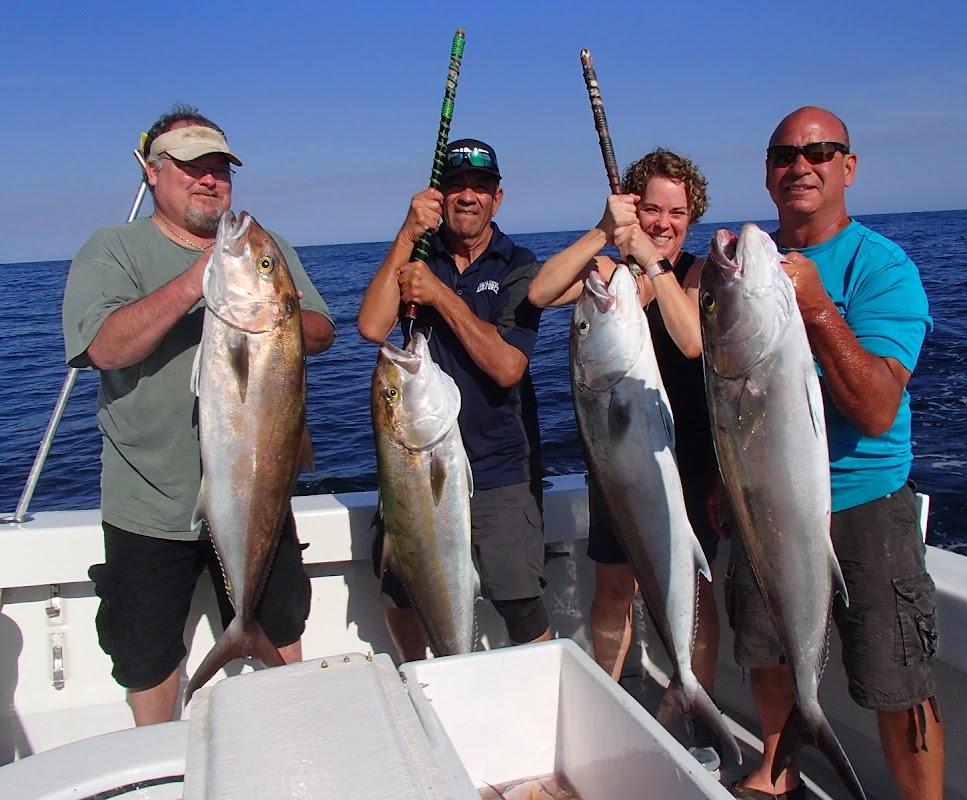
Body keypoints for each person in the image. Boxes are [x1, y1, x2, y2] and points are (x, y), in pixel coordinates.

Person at [62, 105, 335, 726]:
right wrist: (196, 283)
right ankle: (158, 769)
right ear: (152, 173)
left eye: (219, 169)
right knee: (147, 656)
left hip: (258, 492)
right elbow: (103, 347)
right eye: (191, 168)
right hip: (149, 505)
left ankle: (293, 753)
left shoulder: (265, 250)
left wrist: (272, 308)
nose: (209, 181)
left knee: (284, 624)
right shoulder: (114, 249)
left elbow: (320, 328)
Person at [724, 107, 941, 800]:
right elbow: (725, 389)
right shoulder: (733, 273)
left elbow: (878, 411)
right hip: (762, 503)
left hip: (864, 507)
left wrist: (817, 308)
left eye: (819, 151)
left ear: (847, 167)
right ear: (766, 173)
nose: (800, 165)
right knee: (765, 653)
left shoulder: (882, 269)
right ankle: (774, 771)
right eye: (784, 154)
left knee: (897, 681)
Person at [527, 149, 723, 760]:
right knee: (614, 585)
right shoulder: (605, 273)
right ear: (634, 206)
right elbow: (539, 292)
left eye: (678, 212)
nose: (665, 222)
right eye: (653, 209)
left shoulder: (694, 272)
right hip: (617, 456)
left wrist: (652, 264)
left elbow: (691, 341)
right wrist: (604, 234)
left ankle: (694, 704)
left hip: (685, 459)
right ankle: (609, 705)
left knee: (692, 587)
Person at [357, 138, 551, 656]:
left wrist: (438, 295)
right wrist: (406, 235)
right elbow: (373, 326)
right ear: (439, 196)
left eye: (480, 188)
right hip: (418, 467)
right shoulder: (421, 254)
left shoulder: (519, 265)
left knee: (521, 604)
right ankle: (427, 684)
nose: (468, 197)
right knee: (401, 595)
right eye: (456, 186)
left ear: (498, 198)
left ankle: (531, 712)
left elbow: (509, 366)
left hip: (499, 469)